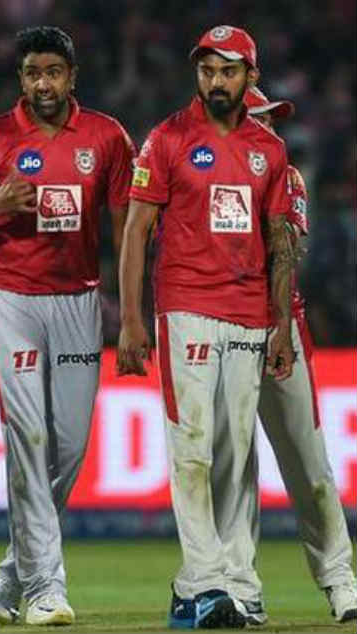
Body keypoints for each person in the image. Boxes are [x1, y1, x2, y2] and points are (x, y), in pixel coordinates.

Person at [0, 26, 135, 626]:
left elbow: (129, 229)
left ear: (71, 76)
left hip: (79, 299)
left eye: (53, 72)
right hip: (10, 297)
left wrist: (131, 314)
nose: (43, 83)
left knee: (70, 447)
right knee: (27, 436)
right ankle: (46, 589)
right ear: (20, 79)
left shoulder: (106, 136)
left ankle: (12, 571)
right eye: (32, 73)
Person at [116, 25, 295, 629]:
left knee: (236, 453)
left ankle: (236, 585)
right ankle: (209, 581)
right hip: (185, 306)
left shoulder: (269, 150)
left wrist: (280, 324)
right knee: (190, 446)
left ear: (251, 76)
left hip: (248, 312)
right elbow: (137, 229)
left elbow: (278, 241)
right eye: (207, 70)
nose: (216, 81)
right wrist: (132, 319)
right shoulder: (167, 138)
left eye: (228, 71)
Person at [215, 86, 357, 625]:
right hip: (220, 325)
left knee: (308, 460)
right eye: (260, 120)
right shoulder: (202, 174)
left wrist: (277, 324)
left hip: (280, 327)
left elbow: (287, 249)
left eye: (273, 121)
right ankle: (239, 588)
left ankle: (339, 579)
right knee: (232, 465)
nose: (270, 130)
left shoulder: (288, 177)